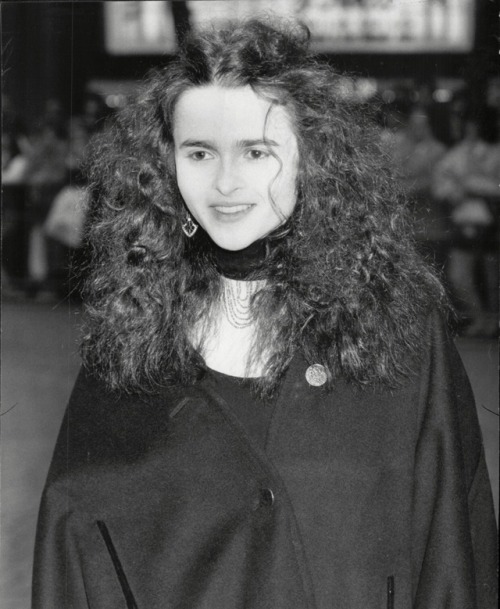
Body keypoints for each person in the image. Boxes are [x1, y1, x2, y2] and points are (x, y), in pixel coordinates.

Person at [33, 18, 497, 609]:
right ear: (166, 163)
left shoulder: (400, 328)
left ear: (312, 158)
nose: (226, 182)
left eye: (256, 151)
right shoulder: (133, 330)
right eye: (199, 152)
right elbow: (75, 543)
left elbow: (453, 544)